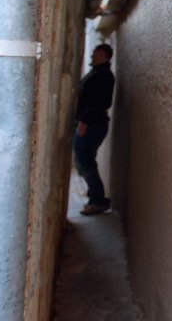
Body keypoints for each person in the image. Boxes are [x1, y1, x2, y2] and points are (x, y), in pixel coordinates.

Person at [73, 43, 115, 215]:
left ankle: (98, 201)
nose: (92, 54)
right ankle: (95, 197)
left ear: (103, 55)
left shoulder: (104, 75)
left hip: (92, 125)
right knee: (84, 160)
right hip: (90, 123)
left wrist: (84, 121)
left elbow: (100, 103)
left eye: (95, 52)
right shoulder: (97, 72)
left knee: (85, 160)